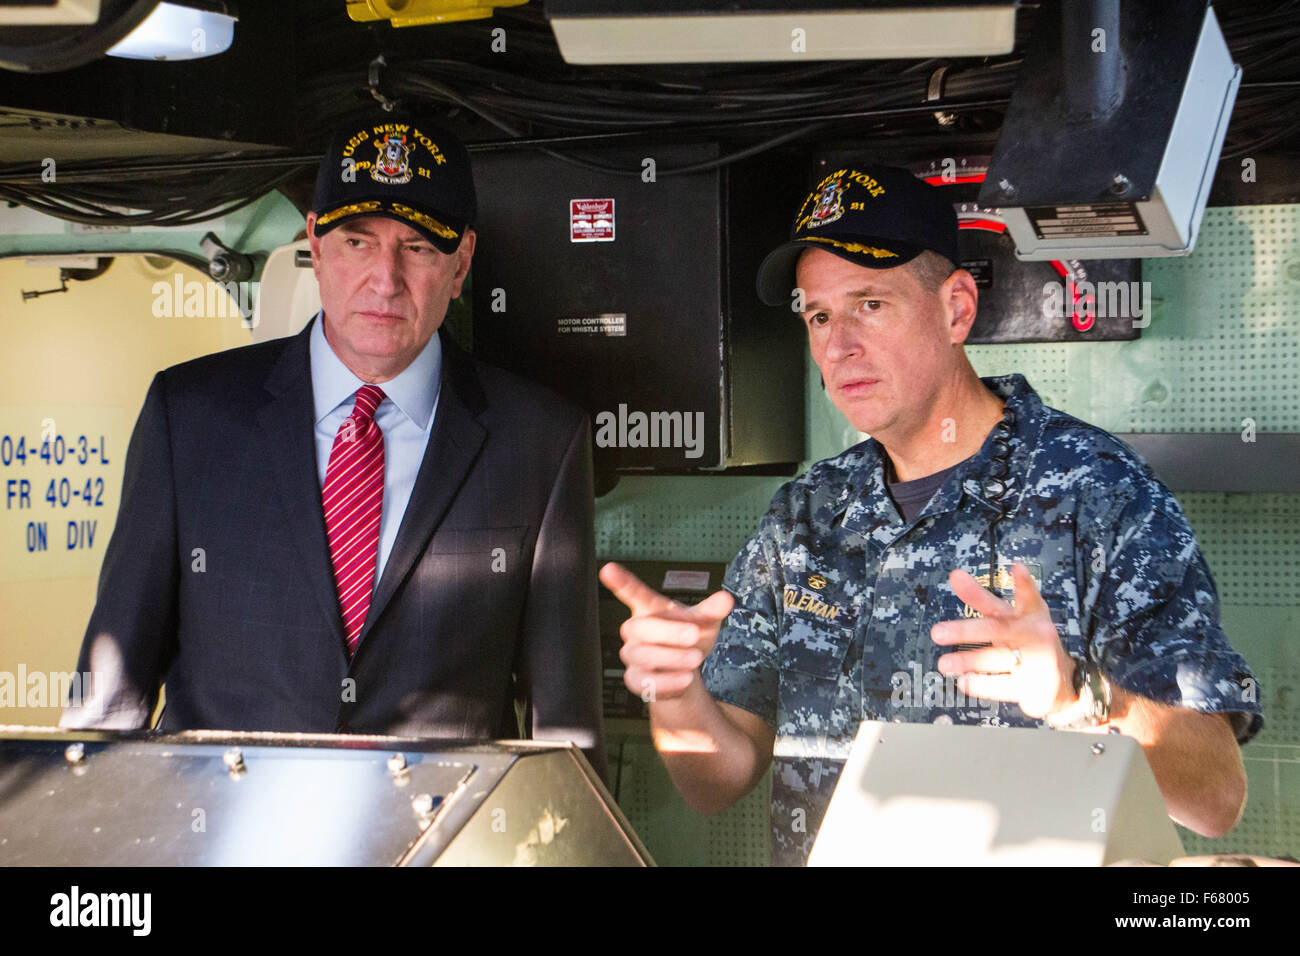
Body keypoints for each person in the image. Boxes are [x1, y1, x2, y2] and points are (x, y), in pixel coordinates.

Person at [601, 163, 1262, 863]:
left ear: (957, 308)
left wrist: (1078, 697)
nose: (838, 343)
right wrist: (674, 697)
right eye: (818, 315)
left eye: (871, 304)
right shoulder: (803, 516)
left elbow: (1216, 798)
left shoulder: (1099, 492)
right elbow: (716, 779)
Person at [62, 114, 606, 778]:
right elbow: (108, 704)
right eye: (357, 242)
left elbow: (567, 744)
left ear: (461, 264)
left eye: (417, 248)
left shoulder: (542, 440)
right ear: (315, 248)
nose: (385, 279)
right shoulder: (190, 417)